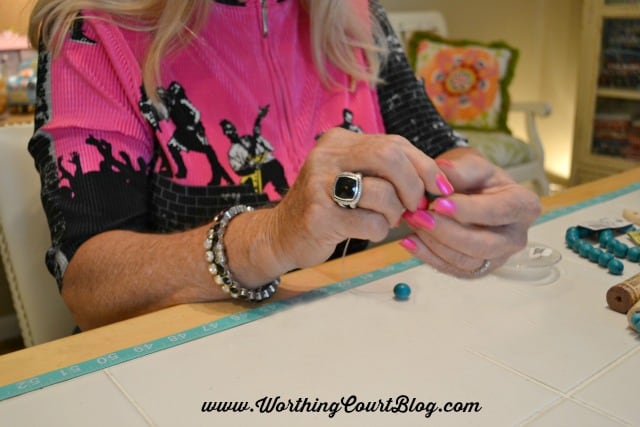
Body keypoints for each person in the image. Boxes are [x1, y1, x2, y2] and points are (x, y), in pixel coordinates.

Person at [27, 0, 541, 331]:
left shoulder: (356, 14)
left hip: (350, 342)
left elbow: (437, 147)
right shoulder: (92, 29)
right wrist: (271, 237)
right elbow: (88, 283)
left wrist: (470, 193)